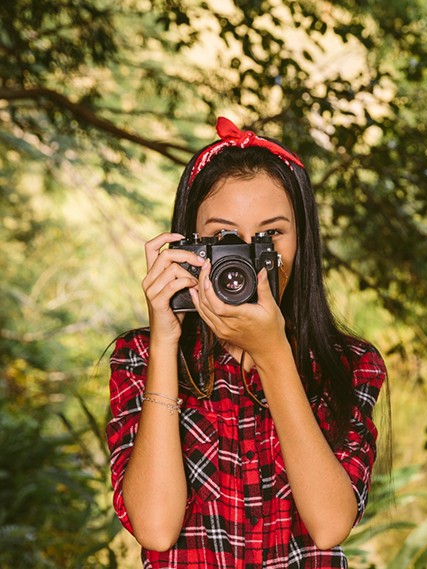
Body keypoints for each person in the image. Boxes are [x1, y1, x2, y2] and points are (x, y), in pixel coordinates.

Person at [106, 117, 387, 568]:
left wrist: (272, 353)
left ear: (303, 240)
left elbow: (331, 523)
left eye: (270, 235)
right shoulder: (139, 357)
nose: (243, 259)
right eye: (223, 238)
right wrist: (164, 339)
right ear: (189, 243)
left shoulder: (350, 364)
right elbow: (156, 529)